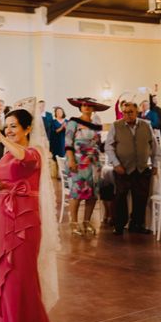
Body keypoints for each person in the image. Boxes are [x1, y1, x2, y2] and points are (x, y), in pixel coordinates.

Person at [0, 98, 59, 322]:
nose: (8, 130)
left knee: (22, 279)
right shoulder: (8, 153)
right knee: (5, 277)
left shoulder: (34, 152)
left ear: (28, 129)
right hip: (4, 218)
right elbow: (6, 181)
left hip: (25, 223)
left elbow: (23, 157)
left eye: (13, 126)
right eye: (6, 126)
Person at [105, 101, 160, 235]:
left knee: (141, 197)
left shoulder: (146, 125)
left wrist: (155, 164)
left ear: (137, 112)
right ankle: (119, 225)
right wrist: (116, 163)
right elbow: (109, 146)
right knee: (120, 197)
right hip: (122, 168)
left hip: (141, 168)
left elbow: (154, 147)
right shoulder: (116, 125)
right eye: (125, 112)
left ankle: (137, 224)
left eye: (130, 112)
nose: (127, 115)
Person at [65, 97, 109, 237]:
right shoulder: (73, 122)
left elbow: (99, 144)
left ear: (93, 108)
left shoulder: (96, 124)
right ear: (80, 107)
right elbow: (68, 143)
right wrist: (71, 159)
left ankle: (86, 221)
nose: (87, 107)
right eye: (84, 105)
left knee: (93, 195)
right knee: (77, 193)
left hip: (94, 163)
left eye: (90, 105)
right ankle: (74, 223)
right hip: (78, 161)